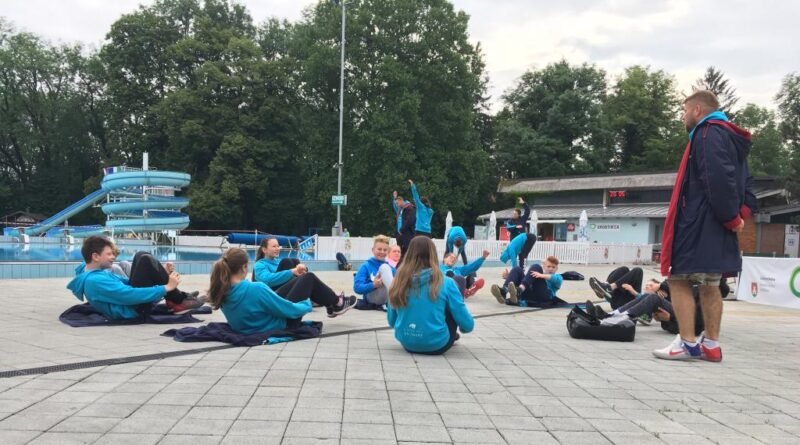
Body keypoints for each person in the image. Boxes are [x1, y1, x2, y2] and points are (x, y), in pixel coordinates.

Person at [657, 90, 753, 362]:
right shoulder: (731, 137)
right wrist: (739, 215)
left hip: (699, 222)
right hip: (718, 225)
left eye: (684, 110)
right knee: (712, 282)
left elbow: (717, 179)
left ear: (698, 110)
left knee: (678, 279)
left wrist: (730, 216)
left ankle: (687, 343)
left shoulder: (706, 133)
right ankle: (711, 345)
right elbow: (745, 181)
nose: (683, 116)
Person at [67, 236, 204, 319]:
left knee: (141, 255)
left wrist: (158, 273)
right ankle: (179, 300)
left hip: (130, 304)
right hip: (132, 311)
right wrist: (166, 287)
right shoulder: (95, 280)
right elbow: (128, 295)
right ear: (95, 256)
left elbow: (126, 282)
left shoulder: (91, 270)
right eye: (109, 254)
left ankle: (177, 299)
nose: (113, 257)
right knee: (145, 259)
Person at [208, 248, 333, 335]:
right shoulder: (255, 288)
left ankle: (336, 304)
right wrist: (306, 305)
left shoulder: (221, 290)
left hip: (246, 328)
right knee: (308, 278)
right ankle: (336, 303)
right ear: (243, 267)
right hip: (280, 325)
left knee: (299, 280)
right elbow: (288, 310)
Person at [387, 236, 474, 355]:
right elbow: (468, 326)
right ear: (433, 255)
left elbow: (392, 321)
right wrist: (463, 327)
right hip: (438, 344)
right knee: (458, 282)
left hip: (407, 342)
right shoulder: (446, 282)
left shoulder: (397, 281)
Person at [255, 237, 356, 317]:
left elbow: (293, 273)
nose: (278, 248)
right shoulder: (260, 265)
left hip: (286, 294)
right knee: (291, 264)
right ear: (264, 249)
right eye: (274, 246)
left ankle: (331, 304)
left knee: (296, 263)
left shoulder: (278, 262)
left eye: (278, 246)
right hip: (274, 299)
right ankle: (337, 303)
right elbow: (267, 280)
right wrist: (291, 272)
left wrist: (302, 269)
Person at [491, 255, 563, 306]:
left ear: (556, 268)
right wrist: (509, 277)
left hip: (544, 297)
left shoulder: (558, 277)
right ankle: (504, 291)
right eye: (548, 266)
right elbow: (527, 279)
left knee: (536, 267)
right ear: (544, 266)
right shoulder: (538, 274)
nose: (551, 269)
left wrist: (541, 275)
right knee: (517, 269)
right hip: (530, 295)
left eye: (553, 267)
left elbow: (554, 278)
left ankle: (519, 290)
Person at [354, 235, 396, 309]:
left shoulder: (391, 268)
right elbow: (357, 288)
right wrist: (373, 285)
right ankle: (397, 298)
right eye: (379, 249)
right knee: (384, 267)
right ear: (373, 250)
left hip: (387, 297)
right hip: (372, 297)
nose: (382, 252)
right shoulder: (365, 266)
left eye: (385, 250)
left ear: (388, 251)